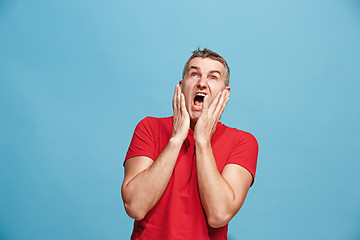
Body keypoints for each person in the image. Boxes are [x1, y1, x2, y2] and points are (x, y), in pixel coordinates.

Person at [121, 48, 258, 240]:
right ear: (181, 86)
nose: (202, 83)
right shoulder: (149, 128)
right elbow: (135, 206)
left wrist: (202, 141)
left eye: (213, 77)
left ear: (224, 93)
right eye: (194, 74)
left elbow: (219, 215)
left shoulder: (243, 142)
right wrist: (176, 139)